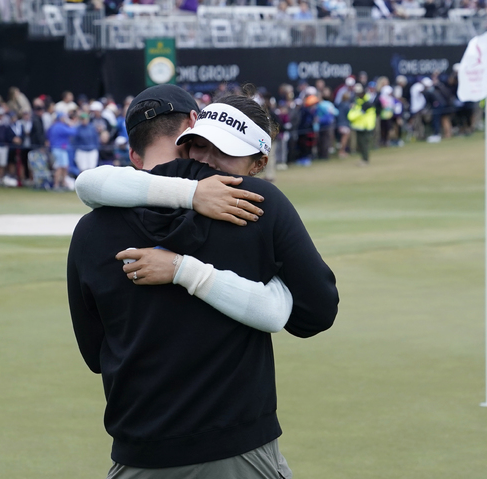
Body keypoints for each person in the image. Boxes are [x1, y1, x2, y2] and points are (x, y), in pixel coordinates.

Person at [68, 85, 338, 478]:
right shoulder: (256, 203)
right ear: (193, 124)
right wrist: (273, 290)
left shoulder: (90, 229)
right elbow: (316, 313)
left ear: (133, 155)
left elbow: (96, 355)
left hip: (139, 454)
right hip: (240, 450)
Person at [347, 83, 376, 166]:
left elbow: (357, 114)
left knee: (364, 143)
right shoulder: (357, 101)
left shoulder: (367, 102)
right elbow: (353, 114)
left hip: (366, 126)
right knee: (360, 143)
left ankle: (365, 159)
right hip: (359, 126)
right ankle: (364, 159)